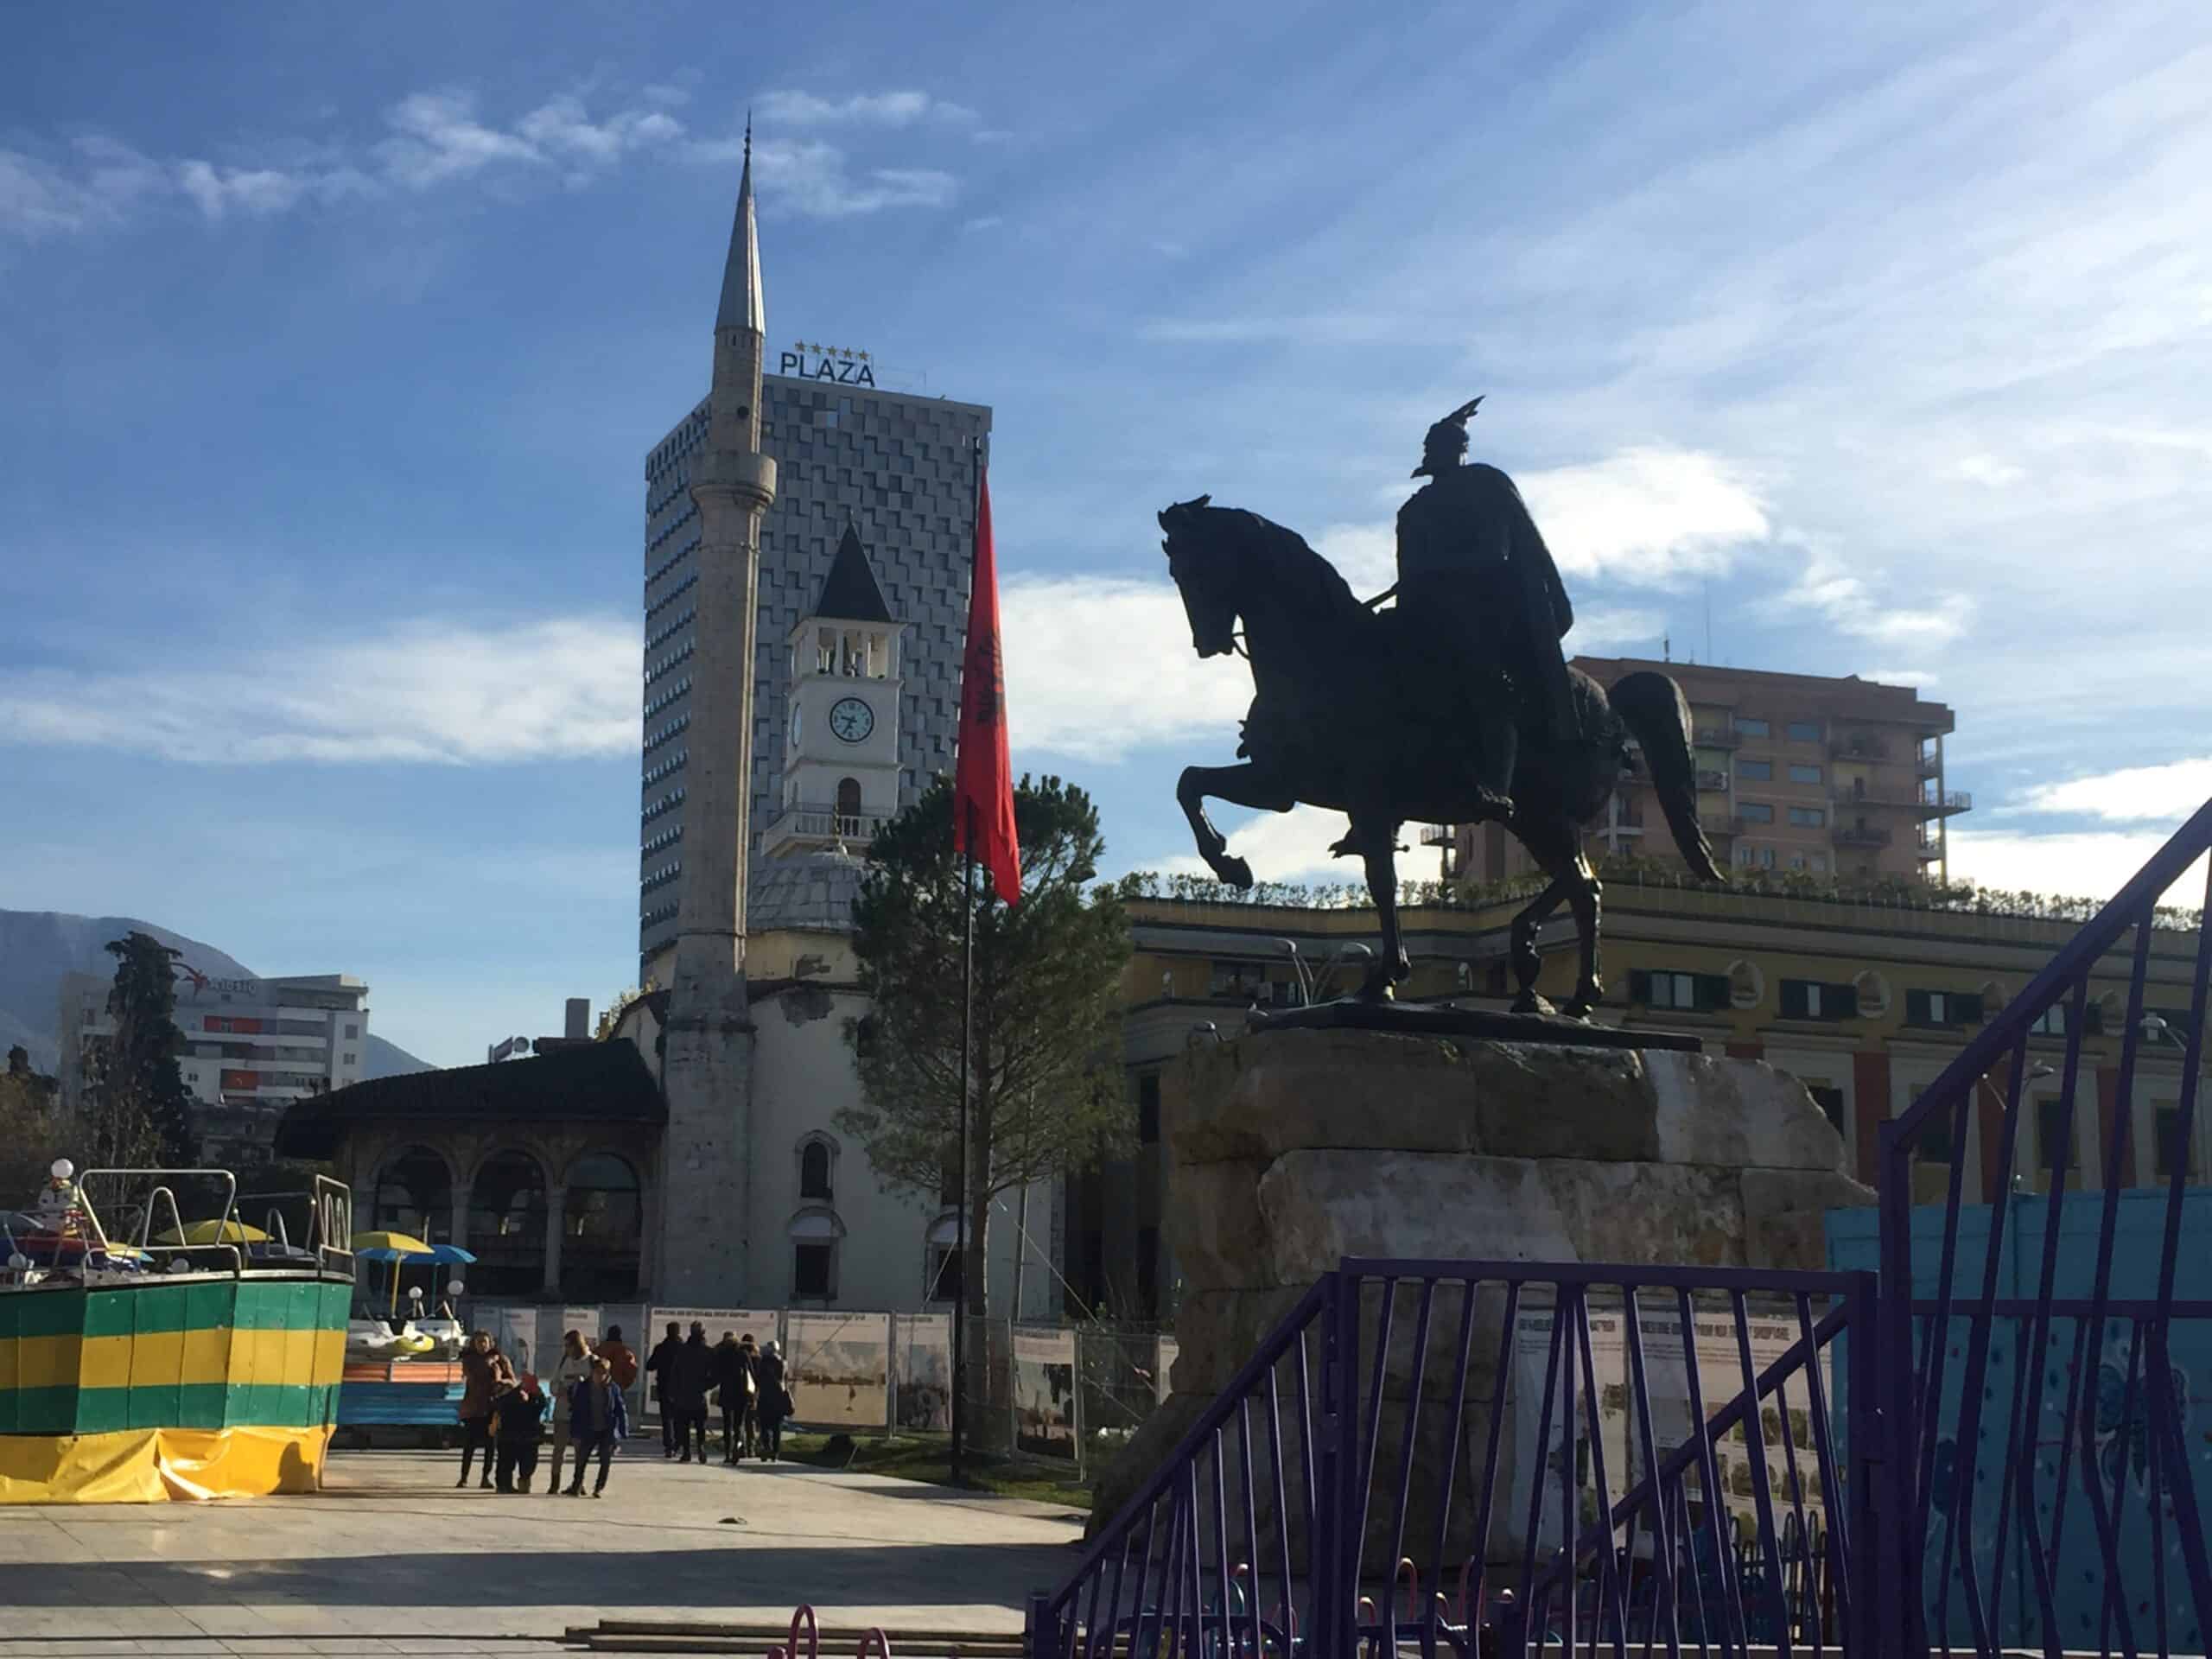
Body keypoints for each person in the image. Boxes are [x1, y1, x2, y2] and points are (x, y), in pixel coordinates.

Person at [1391, 396, 1576, 822]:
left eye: (1441, 445)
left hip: (1486, 604)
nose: (1432, 453)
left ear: (1458, 450)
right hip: (1426, 611)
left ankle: (1495, 783)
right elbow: (1407, 572)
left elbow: (1514, 543)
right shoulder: (1414, 508)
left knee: (1485, 679)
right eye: (1429, 445)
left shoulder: (1486, 483)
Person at [565, 1353, 630, 1497]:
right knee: (581, 1458)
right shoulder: (584, 1387)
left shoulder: (613, 1388)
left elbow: (620, 1409)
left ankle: (599, 1488)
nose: (599, 1376)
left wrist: (623, 1431)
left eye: (603, 1373)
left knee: (605, 1460)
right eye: (596, 1372)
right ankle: (577, 1485)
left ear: (607, 1374)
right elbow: (576, 1409)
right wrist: (574, 1431)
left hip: (606, 1429)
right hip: (588, 1428)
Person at [455, 1331, 512, 1490]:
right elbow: (474, 1377)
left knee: (490, 1445)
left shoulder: (500, 1360)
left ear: (490, 1343)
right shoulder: (469, 1360)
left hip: (492, 1408)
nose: (482, 1345)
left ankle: (486, 1477)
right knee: (469, 1444)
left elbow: (512, 1380)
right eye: (479, 1342)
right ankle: (464, 1477)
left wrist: (502, 1382)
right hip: (473, 1408)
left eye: (485, 1342)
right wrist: (488, 1362)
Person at [544, 1329, 595, 1497]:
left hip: (581, 1415)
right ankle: (554, 1483)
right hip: (562, 1413)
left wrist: (579, 1388)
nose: (566, 1349)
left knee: (580, 1451)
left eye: (569, 1346)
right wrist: (561, 1390)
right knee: (558, 1449)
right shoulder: (563, 1360)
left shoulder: (591, 1361)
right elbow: (553, 1384)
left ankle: (578, 1483)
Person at [491, 1369, 546, 1493]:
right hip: (510, 1434)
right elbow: (500, 1405)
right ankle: (504, 1485)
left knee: (528, 1463)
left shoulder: (536, 1396)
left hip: (528, 1436)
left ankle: (523, 1482)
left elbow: (541, 1407)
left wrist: (538, 1395)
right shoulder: (511, 1395)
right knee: (506, 1462)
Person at [670, 1321, 714, 1463]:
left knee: (685, 1425)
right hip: (700, 1393)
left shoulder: (683, 1350)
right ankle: (701, 1447)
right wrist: (707, 1385)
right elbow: (715, 1373)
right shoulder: (707, 1351)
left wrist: (674, 1390)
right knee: (700, 1425)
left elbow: (675, 1372)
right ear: (703, 1333)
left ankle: (687, 1452)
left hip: (684, 1392)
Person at [713, 1332, 754, 1465]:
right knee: (739, 1425)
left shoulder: (722, 1355)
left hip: (726, 1393)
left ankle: (727, 1453)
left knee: (727, 1425)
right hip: (742, 1394)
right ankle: (738, 1446)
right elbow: (751, 1373)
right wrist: (753, 1393)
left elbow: (717, 1374)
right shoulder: (743, 1354)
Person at [645, 1321, 683, 1459]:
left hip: (664, 1386)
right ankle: (678, 1443)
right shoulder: (683, 1348)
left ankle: (669, 1446)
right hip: (680, 1387)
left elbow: (649, 1366)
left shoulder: (661, 1348)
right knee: (679, 1417)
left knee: (667, 1418)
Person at [754, 1338, 788, 1463]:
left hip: (765, 1397)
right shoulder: (783, 1363)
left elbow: (758, 1379)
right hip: (778, 1398)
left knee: (764, 1426)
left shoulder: (763, 1362)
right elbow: (784, 1380)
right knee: (777, 1427)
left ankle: (766, 1448)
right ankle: (775, 1451)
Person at [736, 1332, 762, 1459]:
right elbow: (759, 1378)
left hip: (740, 1392)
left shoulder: (738, 1356)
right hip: (752, 1392)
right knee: (750, 1422)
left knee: (739, 1422)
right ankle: (751, 1448)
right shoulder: (758, 1359)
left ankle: (741, 1447)